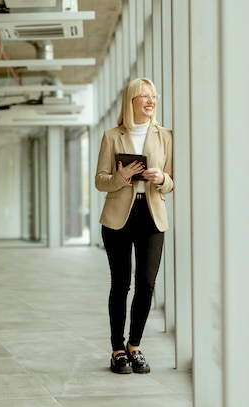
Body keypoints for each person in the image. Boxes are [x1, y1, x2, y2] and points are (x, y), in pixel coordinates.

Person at [94, 78, 174, 374]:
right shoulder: (113, 135)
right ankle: (117, 350)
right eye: (144, 96)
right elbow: (100, 180)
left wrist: (161, 179)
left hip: (151, 215)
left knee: (147, 284)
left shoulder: (165, 136)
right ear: (131, 101)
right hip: (118, 218)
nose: (151, 101)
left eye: (154, 95)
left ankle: (134, 346)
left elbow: (172, 181)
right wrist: (122, 176)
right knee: (121, 284)